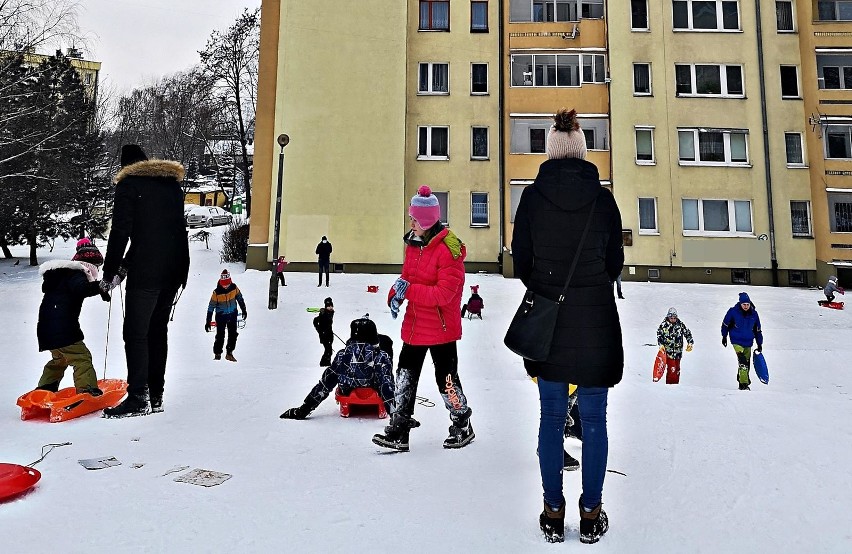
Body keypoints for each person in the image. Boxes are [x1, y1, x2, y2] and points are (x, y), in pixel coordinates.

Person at [511, 108, 624, 544]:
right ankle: (591, 512)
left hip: (550, 325)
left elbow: (522, 263)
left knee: (551, 417)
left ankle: (552, 511)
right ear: (581, 150)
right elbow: (615, 261)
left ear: (551, 151)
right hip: (596, 321)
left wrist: (548, 284)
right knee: (594, 419)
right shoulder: (604, 200)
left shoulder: (533, 199)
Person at [372, 185, 474, 452]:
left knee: (447, 381)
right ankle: (399, 430)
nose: (411, 223)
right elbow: (407, 277)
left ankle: (462, 424)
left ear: (428, 220)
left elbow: (444, 294)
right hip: (415, 324)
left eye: (415, 219)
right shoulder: (413, 244)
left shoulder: (448, 251)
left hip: (441, 328)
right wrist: (395, 294)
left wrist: (409, 291)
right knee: (405, 376)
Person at [101, 144, 190, 418]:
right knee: (157, 331)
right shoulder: (171, 186)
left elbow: (121, 232)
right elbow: (159, 233)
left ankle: (138, 397)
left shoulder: (129, 184)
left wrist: (109, 272)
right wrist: (124, 267)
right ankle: (156, 395)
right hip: (175, 269)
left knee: (136, 333)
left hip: (148, 273)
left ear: (125, 166)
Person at [34, 239, 110, 396]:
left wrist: (99, 289)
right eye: (97, 267)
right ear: (89, 266)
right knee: (82, 358)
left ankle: (45, 389)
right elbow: (81, 289)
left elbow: (76, 290)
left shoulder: (61, 274)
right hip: (64, 329)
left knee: (59, 360)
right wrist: (101, 286)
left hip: (46, 329)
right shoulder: (77, 273)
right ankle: (87, 391)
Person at [280, 316, 395, 420]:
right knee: (386, 374)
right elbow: (386, 385)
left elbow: (325, 385)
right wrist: (396, 415)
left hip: (347, 392)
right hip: (375, 393)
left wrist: (303, 409)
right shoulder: (380, 357)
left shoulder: (342, 356)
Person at [721, 292, 763, 391]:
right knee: (742, 361)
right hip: (736, 340)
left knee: (746, 363)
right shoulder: (733, 312)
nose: (746, 306)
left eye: (747, 304)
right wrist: (724, 336)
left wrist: (759, 343)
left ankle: (741, 377)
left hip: (748, 342)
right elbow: (725, 324)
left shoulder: (754, 314)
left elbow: (758, 330)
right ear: (740, 304)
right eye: (744, 304)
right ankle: (743, 385)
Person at [205, 270, 247, 362]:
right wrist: (208, 320)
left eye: (227, 284)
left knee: (233, 334)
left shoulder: (234, 288)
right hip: (221, 316)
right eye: (224, 284)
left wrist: (244, 310)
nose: (225, 286)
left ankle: (229, 353)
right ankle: (217, 353)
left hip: (232, 315)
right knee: (220, 335)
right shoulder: (216, 292)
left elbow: (240, 298)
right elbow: (211, 307)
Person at [656, 307, 694, 385]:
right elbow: (659, 335)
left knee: (677, 369)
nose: (673, 319)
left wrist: (690, 342)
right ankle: (670, 386)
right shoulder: (664, 326)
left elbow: (687, 333)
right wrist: (661, 344)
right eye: (671, 318)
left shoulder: (680, 325)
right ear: (668, 317)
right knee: (671, 369)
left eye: (674, 318)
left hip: (678, 353)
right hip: (668, 353)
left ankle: (676, 386)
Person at [313, 297, 335, 366]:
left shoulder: (330, 313)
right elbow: (315, 321)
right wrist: (320, 330)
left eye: (331, 306)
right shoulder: (323, 313)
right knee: (328, 350)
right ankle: (324, 363)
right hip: (324, 335)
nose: (330, 307)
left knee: (329, 350)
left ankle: (326, 363)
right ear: (326, 307)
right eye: (329, 306)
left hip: (329, 334)